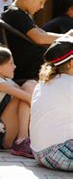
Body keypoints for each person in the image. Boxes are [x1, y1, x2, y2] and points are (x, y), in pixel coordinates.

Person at [1, 0, 64, 83]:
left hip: (33, 63)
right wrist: (67, 37)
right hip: (32, 67)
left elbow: (41, 33)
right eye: (41, 2)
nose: (42, 7)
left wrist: (67, 36)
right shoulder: (15, 14)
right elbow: (40, 38)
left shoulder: (18, 13)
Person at [30, 35, 73, 171]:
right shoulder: (69, 83)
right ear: (71, 63)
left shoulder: (44, 83)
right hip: (58, 151)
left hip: (40, 152)